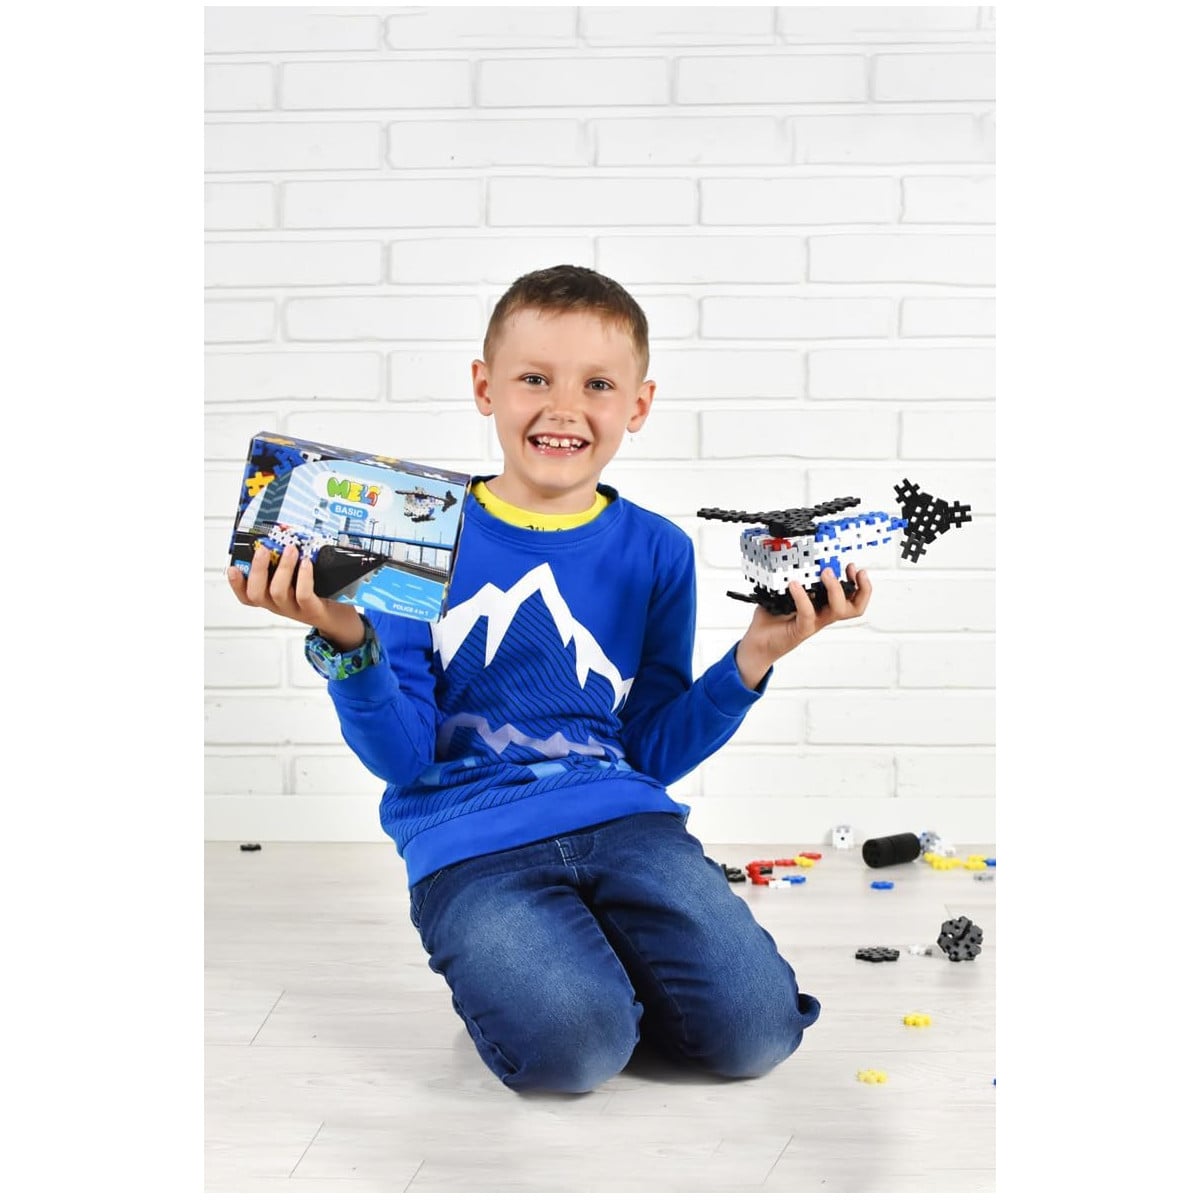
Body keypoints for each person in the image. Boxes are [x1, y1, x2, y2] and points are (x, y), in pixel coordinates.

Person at [227, 264, 872, 1094]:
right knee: (573, 1054)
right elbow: (403, 758)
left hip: (626, 820)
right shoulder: (412, 533)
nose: (564, 408)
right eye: (534, 378)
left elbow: (651, 751)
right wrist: (347, 640)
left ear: (638, 405)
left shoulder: (658, 550)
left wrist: (753, 657)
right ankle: (562, 991)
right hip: (470, 838)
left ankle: (597, 971)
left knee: (757, 1035)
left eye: (597, 384)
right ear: (484, 387)